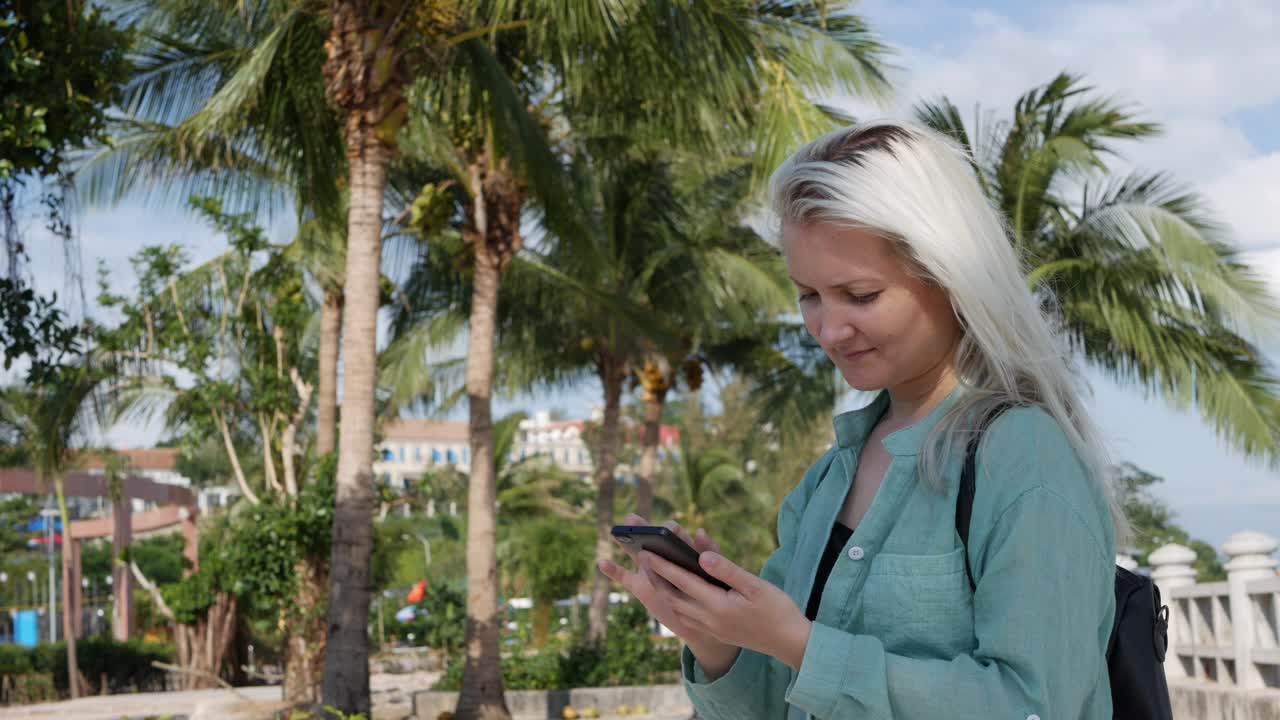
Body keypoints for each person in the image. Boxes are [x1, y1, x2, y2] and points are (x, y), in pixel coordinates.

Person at [598, 120, 1128, 719]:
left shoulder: (1023, 454)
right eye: (810, 296)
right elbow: (779, 705)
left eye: (861, 295)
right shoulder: (828, 479)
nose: (829, 329)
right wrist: (717, 638)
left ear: (951, 277)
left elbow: (1037, 705)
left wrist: (799, 644)